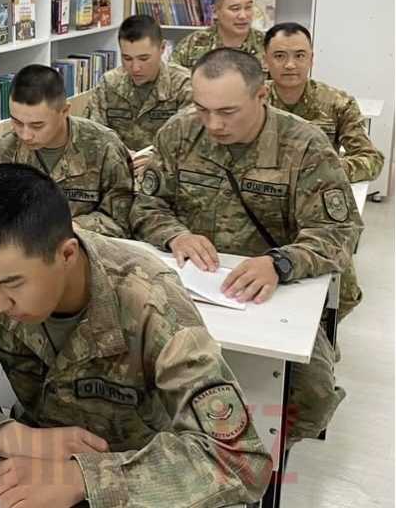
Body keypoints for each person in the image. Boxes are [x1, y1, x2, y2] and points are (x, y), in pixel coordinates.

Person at [0, 163, 271, 508]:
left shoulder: (151, 303)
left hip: (135, 480)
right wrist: (13, 437)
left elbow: (241, 461)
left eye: (12, 284)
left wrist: (84, 479)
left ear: (67, 255)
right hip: (30, 470)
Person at [130, 48, 363, 443]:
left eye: (227, 112)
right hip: (193, 287)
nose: (213, 124)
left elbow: (338, 231)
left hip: (276, 294)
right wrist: (175, 234)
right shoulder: (179, 133)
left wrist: (280, 263)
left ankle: (265, 452)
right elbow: (146, 205)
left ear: (261, 96)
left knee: (312, 397)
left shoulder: (304, 145)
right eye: (202, 109)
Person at [0, 64, 134, 238]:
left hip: (83, 254)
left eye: (37, 125)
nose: (25, 135)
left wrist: (72, 227)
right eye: (17, 122)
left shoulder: (104, 147)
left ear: (64, 111)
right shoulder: (0, 153)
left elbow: (121, 222)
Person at [264, 21, 384, 183]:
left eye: (299, 56)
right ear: (265, 60)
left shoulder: (338, 103)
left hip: (316, 189)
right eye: (279, 56)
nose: (290, 65)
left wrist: (327, 169)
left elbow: (372, 160)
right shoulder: (250, 100)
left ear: (311, 59)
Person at [84, 15, 192, 180]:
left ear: (162, 48)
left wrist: (159, 160)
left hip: (167, 177)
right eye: (127, 58)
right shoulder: (109, 83)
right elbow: (91, 133)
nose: (135, 68)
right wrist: (117, 154)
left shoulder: (183, 85)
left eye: (144, 58)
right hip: (119, 173)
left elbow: (194, 143)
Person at [171, 0, 265, 70]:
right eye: (235, 9)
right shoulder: (193, 43)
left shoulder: (265, 44)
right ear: (215, 12)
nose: (243, 16)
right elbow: (171, 76)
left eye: (248, 8)